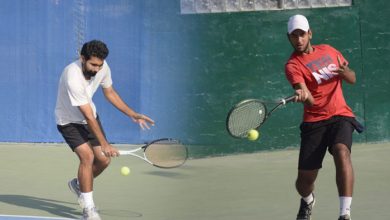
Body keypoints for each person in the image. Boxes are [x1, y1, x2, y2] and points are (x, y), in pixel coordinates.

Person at [55, 40, 154, 220]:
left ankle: (79, 185)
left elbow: (110, 92)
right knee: (87, 157)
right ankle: (89, 209)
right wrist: (105, 143)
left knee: (103, 161)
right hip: (69, 121)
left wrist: (132, 113)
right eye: (93, 64)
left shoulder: (103, 67)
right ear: (82, 58)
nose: (96, 69)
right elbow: (87, 116)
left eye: (99, 65)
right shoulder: (72, 76)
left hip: (89, 117)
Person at [285, 15, 363, 220]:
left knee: (341, 151)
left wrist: (345, 72)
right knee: (304, 181)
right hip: (314, 122)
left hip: (340, 115)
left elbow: (352, 79)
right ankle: (308, 200)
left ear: (310, 33)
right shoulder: (293, 65)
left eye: (302, 34)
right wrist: (304, 95)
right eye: (294, 36)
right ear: (289, 38)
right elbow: (310, 100)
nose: (299, 40)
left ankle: (344, 213)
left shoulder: (329, 51)